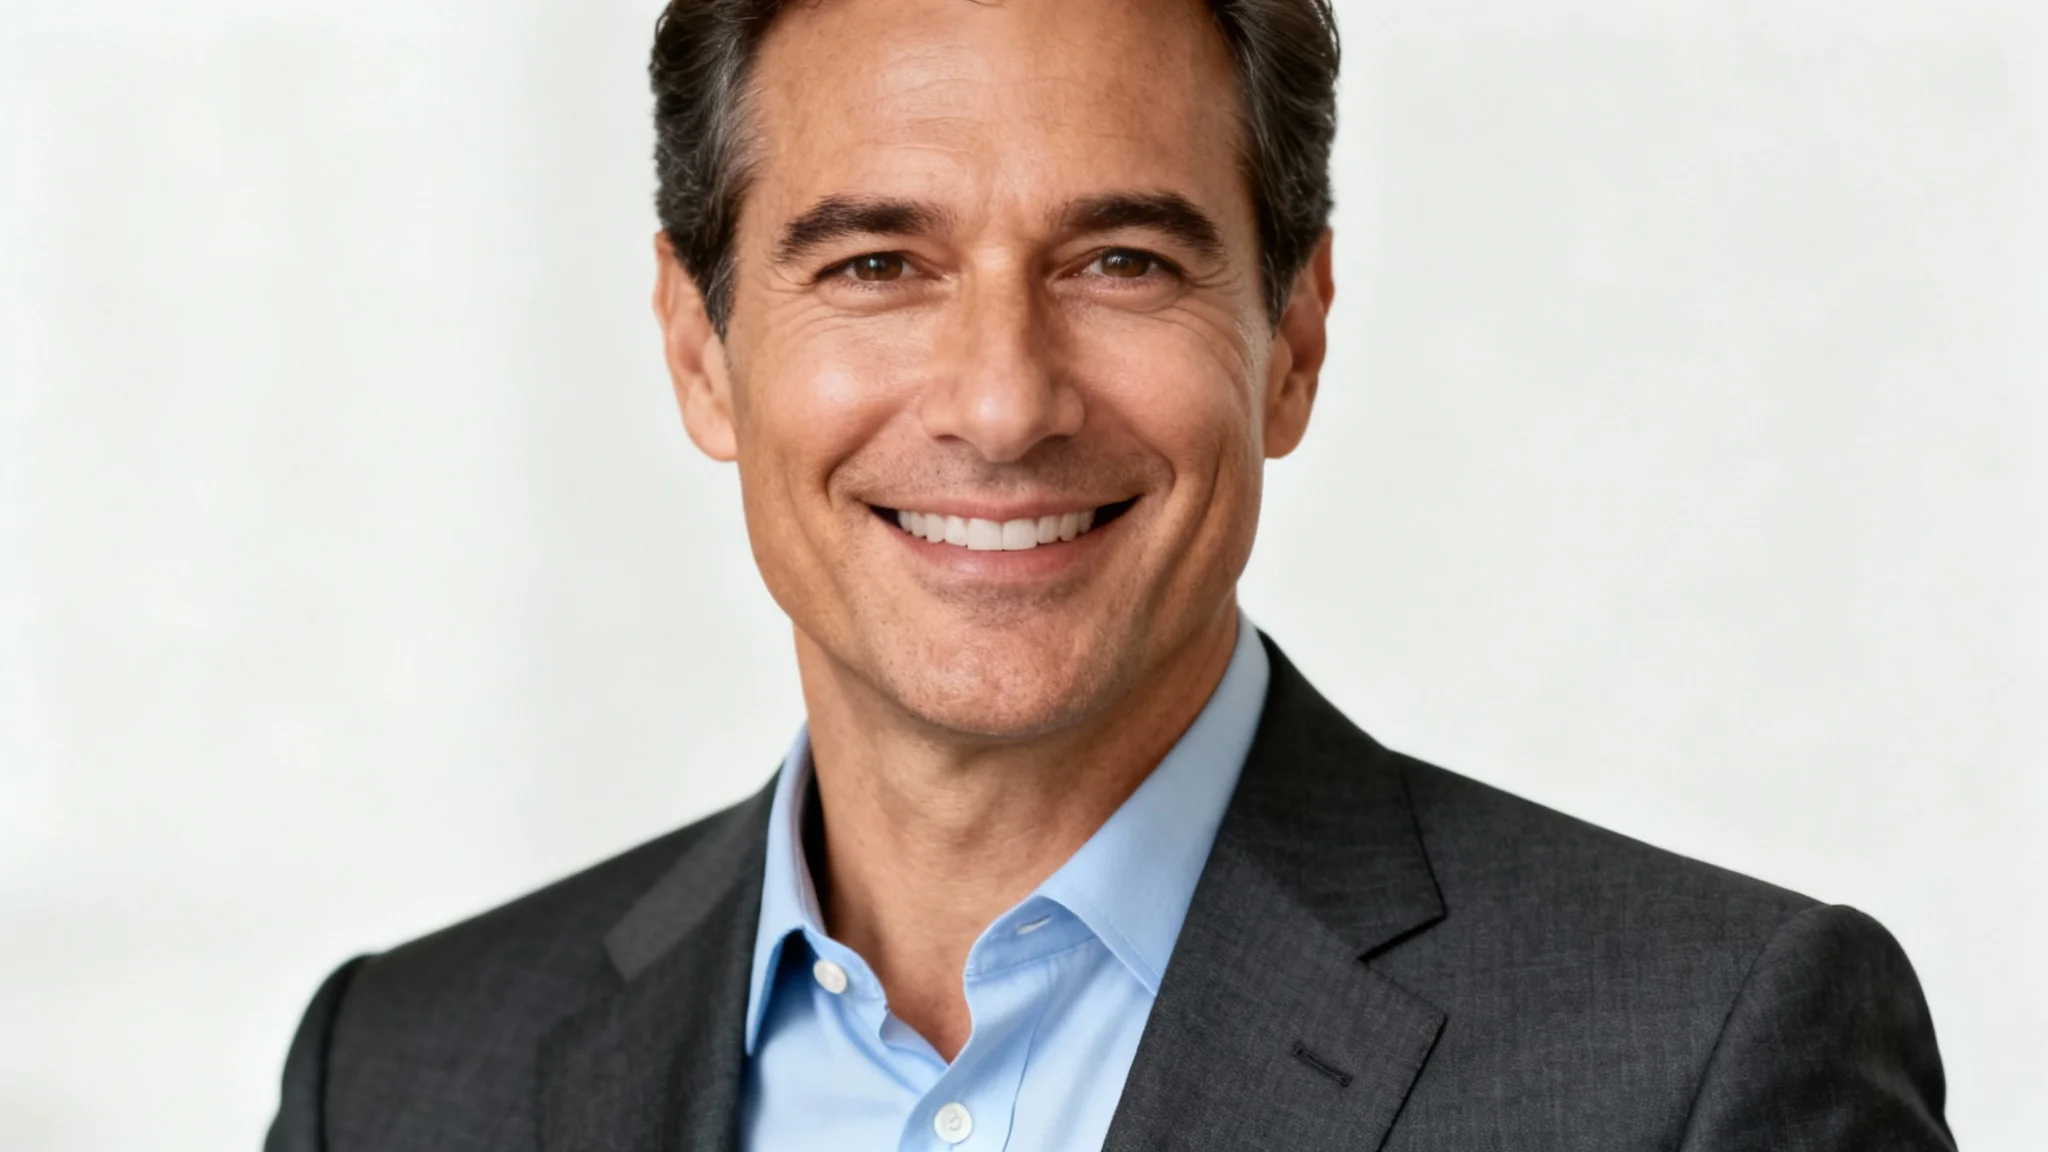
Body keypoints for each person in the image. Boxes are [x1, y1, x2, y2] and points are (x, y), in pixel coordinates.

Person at [265, 0, 1954, 1147]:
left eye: (1123, 260)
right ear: (701, 354)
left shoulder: (1701, 1065)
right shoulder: (405, 1079)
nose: (1003, 401)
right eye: (877, 262)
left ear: (1291, 341)